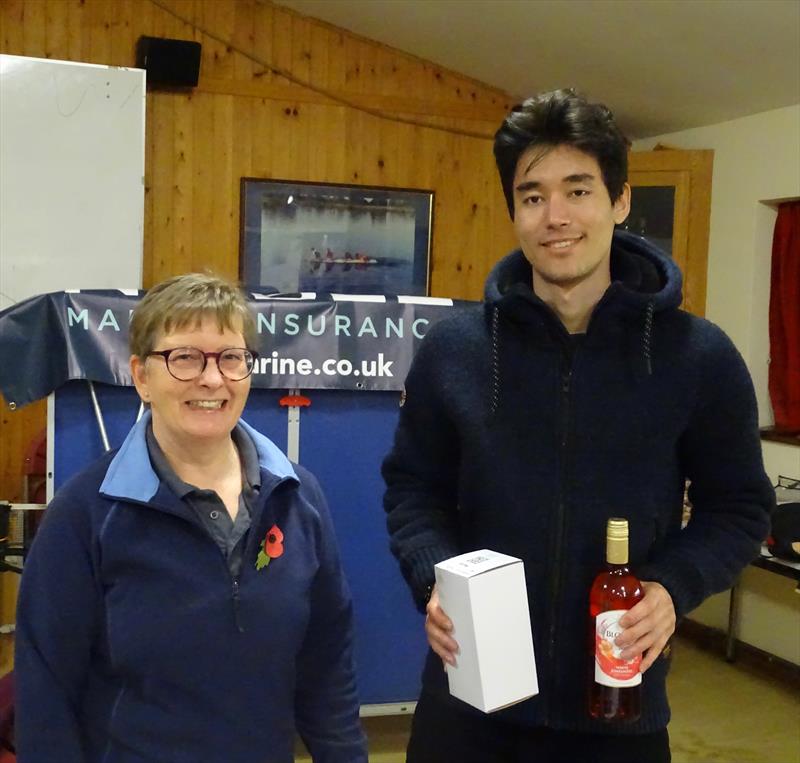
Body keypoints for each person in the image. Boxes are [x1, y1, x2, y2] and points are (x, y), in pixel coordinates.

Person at [382, 89, 774, 763]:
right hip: (470, 706)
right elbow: (413, 488)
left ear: (621, 203)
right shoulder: (456, 352)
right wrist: (435, 578)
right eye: (532, 196)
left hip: (619, 709)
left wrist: (673, 587)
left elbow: (739, 507)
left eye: (578, 190)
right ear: (513, 211)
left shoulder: (697, 356)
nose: (555, 217)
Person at [15, 273, 368, 763]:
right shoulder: (85, 515)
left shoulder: (297, 496)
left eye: (231, 357)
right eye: (184, 357)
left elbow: (326, 663)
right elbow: (45, 692)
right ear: (141, 376)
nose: (212, 378)